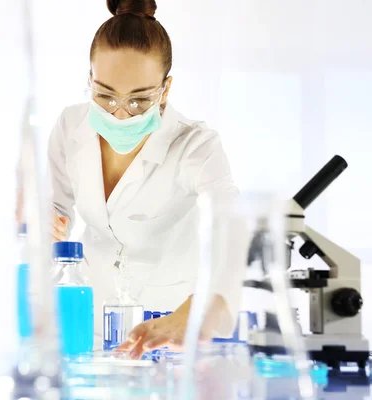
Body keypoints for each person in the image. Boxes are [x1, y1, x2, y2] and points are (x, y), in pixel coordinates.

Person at [48, 0, 242, 359]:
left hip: (168, 326)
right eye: (104, 95)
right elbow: (55, 205)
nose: (120, 114)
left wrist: (204, 307)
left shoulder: (195, 146)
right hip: (88, 321)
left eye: (138, 101)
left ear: (164, 90)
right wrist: (47, 221)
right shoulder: (69, 125)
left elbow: (235, 229)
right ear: (89, 79)